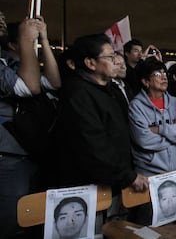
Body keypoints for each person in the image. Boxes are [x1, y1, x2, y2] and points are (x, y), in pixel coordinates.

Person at [52, 33, 148, 195]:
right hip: (88, 188)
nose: (116, 61)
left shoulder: (108, 90)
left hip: (112, 182)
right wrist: (127, 177)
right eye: (110, 57)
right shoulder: (78, 94)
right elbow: (93, 145)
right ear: (90, 63)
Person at [0, 16, 60, 238]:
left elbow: (54, 83)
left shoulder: (23, 66)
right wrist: (27, 41)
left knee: (33, 218)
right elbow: (29, 87)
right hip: (8, 156)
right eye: (27, 39)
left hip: (30, 151)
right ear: (13, 44)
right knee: (11, 220)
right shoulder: (4, 65)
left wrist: (43, 40)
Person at [128, 57, 176, 225]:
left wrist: (160, 129)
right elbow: (143, 139)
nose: (163, 77)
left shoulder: (174, 102)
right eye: (157, 74)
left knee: (173, 223)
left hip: (173, 173)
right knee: (149, 224)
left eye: (164, 73)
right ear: (145, 81)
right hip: (149, 176)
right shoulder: (136, 106)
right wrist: (172, 139)